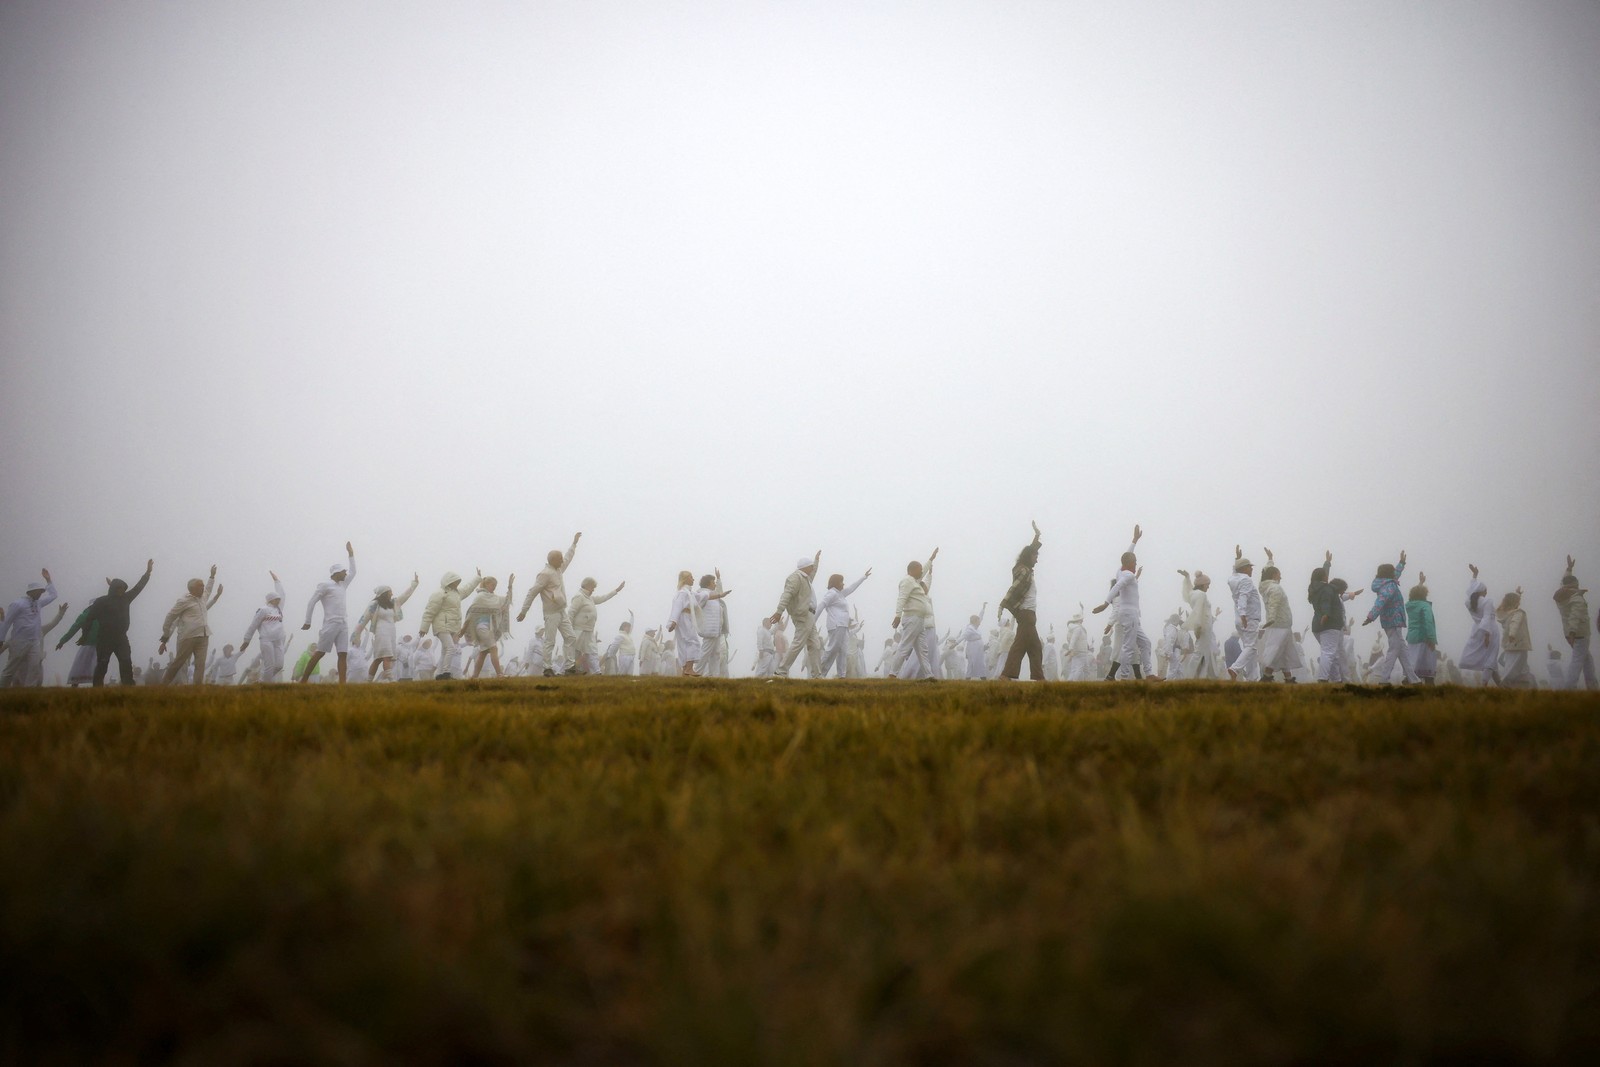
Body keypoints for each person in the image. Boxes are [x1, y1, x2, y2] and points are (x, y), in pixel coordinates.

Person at [52, 560, 153, 687]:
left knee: (126, 661)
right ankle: (97, 687)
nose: (121, 591)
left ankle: (128, 686)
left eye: (123, 589)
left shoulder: (126, 598)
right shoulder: (102, 602)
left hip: (121, 638)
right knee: (102, 663)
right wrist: (84, 636)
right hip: (105, 638)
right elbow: (89, 619)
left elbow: (139, 587)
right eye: (119, 588)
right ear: (113, 589)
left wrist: (148, 573)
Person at [517, 532, 581, 676]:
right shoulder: (545, 574)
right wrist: (524, 611)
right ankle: (547, 668)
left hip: (561, 611)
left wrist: (574, 544)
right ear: (552, 560)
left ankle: (570, 668)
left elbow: (568, 558)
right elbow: (532, 592)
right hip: (551, 613)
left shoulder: (558, 570)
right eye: (559, 559)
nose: (562, 561)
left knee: (570, 637)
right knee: (550, 641)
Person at [1091, 525, 1148, 680]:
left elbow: (1127, 558)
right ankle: (1116, 676)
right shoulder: (1122, 584)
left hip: (1127, 618)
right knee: (1124, 649)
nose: (1136, 563)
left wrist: (1134, 541)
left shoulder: (1121, 572)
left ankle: (1136, 676)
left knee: (1133, 649)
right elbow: (1117, 596)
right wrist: (1105, 604)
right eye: (1134, 562)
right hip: (1124, 620)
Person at [298, 542, 357, 684]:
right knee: (320, 653)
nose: (346, 573)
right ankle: (304, 680)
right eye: (343, 571)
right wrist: (308, 621)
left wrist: (351, 554)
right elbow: (312, 602)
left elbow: (354, 571)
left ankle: (342, 684)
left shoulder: (343, 584)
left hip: (343, 623)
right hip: (330, 624)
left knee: (343, 653)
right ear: (336, 573)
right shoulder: (325, 585)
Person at [1362, 550, 1418, 685]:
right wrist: (1371, 616)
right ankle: (1384, 679)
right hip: (1394, 622)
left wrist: (1401, 563)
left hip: (1391, 621)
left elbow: (1395, 575)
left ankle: (1413, 680)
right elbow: (1380, 601)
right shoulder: (1389, 586)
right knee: (1394, 650)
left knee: (1402, 651)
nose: (1395, 573)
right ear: (1389, 574)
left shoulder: (1386, 583)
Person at [999, 521, 1045, 681]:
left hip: (1028, 614)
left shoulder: (1025, 569)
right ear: (1029, 557)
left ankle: (1037, 677)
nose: (1037, 560)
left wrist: (1037, 537)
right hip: (1026, 614)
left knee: (1033, 647)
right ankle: (1006, 675)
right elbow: (1013, 589)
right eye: (1035, 557)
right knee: (1022, 646)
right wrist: (1003, 604)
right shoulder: (1022, 571)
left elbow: (1030, 552)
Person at [159, 565, 221, 685]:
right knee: (179, 663)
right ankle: (163, 685)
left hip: (203, 636)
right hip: (188, 637)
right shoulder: (184, 601)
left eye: (202, 586)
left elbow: (208, 589)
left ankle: (197, 690)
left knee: (200, 665)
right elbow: (170, 617)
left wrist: (212, 576)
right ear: (192, 589)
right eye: (200, 586)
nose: (203, 588)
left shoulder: (203, 598)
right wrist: (165, 636)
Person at [0, 569, 60, 688]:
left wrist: (48, 580)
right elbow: (7, 622)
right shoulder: (18, 604)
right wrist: (1, 640)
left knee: (34, 667)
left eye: (41, 592)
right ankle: (2, 690)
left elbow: (53, 595)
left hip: (34, 642)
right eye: (39, 591)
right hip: (19, 641)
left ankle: (29, 692)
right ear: (31, 592)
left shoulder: (38, 603)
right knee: (10, 669)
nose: (40, 594)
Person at [888, 548, 941, 680]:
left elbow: (923, 573)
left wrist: (931, 559)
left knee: (923, 650)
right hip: (912, 618)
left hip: (919, 620)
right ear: (912, 570)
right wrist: (897, 615)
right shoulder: (907, 581)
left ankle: (929, 675)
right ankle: (892, 674)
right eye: (919, 569)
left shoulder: (914, 581)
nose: (921, 571)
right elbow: (902, 598)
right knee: (905, 646)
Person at [418, 569, 482, 680]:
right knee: (451, 648)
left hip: (452, 626)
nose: (457, 583)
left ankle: (439, 674)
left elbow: (467, 589)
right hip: (441, 625)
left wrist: (477, 578)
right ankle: (446, 673)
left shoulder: (457, 593)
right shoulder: (439, 594)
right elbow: (430, 610)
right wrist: (424, 627)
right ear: (449, 581)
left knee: (445, 650)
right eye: (455, 581)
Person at [354, 574, 419, 681]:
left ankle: (368, 681)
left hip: (391, 632)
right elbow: (363, 618)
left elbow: (405, 595)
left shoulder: (393, 603)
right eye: (390, 591)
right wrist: (356, 634)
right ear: (384, 593)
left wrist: (414, 584)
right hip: (381, 632)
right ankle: (392, 680)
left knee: (378, 659)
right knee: (386, 656)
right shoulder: (374, 604)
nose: (392, 593)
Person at [768, 552, 823, 679]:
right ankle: (781, 671)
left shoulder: (806, 578)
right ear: (805, 567)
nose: (812, 568)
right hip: (803, 615)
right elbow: (786, 595)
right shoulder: (795, 577)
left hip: (809, 617)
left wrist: (816, 560)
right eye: (811, 566)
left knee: (815, 644)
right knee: (798, 643)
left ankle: (817, 676)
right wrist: (779, 611)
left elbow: (813, 572)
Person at [1257, 551, 1303, 682]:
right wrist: (1271, 619)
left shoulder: (1264, 587)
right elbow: (1274, 605)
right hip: (1280, 625)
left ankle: (1287, 678)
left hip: (1282, 625)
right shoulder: (1276, 589)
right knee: (1275, 651)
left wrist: (1270, 559)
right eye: (1279, 574)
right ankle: (1266, 676)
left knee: (1284, 652)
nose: (1281, 577)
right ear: (1274, 575)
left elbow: (1264, 573)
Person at [817, 567, 872, 678]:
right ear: (836, 583)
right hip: (836, 625)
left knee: (843, 651)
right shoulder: (831, 593)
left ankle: (842, 675)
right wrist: (812, 621)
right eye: (841, 581)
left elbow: (852, 588)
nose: (843, 584)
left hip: (843, 626)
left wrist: (864, 577)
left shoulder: (840, 594)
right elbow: (821, 605)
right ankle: (818, 673)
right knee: (832, 650)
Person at [1554, 556, 1595, 690]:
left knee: (1587, 660)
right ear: (1576, 584)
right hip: (1580, 634)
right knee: (1578, 661)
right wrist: (1573, 632)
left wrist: (1569, 569)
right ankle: (1569, 688)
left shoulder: (1561, 596)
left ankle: (1592, 686)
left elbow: (1564, 582)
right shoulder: (1576, 598)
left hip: (1570, 633)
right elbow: (1575, 616)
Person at [238, 572, 289, 682]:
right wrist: (246, 640)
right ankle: (264, 686)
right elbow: (253, 625)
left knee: (279, 665)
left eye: (279, 599)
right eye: (276, 599)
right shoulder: (263, 610)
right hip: (266, 640)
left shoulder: (279, 609)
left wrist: (276, 581)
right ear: (270, 600)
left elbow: (283, 594)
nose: (279, 600)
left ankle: (262, 681)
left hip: (278, 640)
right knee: (269, 666)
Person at [461, 574, 514, 678]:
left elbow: (507, 601)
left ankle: (474, 677)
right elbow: (471, 613)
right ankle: (500, 674)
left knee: (483, 653)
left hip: (488, 628)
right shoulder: (480, 597)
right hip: (481, 627)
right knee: (494, 648)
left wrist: (510, 586)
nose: (494, 587)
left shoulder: (493, 597)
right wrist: (463, 629)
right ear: (487, 584)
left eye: (496, 585)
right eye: (493, 584)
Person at [570, 576, 626, 674]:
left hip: (589, 630)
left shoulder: (590, 598)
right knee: (574, 652)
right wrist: (569, 629)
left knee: (592, 651)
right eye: (593, 587)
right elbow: (571, 612)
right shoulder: (579, 597)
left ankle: (597, 671)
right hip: (579, 630)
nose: (593, 590)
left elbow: (603, 598)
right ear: (587, 586)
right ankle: (561, 671)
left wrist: (616, 590)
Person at [1459, 564, 1503, 686]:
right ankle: (1483, 684)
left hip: (1477, 630)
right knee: (1491, 657)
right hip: (1490, 630)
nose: (1487, 591)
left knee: (1490, 658)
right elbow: (1487, 617)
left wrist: (1474, 576)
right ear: (1481, 591)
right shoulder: (1488, 601)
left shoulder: (1469, 603)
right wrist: (1487, 634)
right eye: (1485, 589)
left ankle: (1501, 685)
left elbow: (1471, 590)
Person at [1226, 547, 1264, 682]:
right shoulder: (1246, 580)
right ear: (1243, 569)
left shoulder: (1233, 579)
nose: (1251, 569)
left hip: (1240, 619)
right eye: (1249, 567)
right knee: (1251, 647)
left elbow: (1234, 573)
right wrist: (1243, 614)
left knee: (1252, 651)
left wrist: (1237, 560)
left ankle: (1253, 679)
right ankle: (1235, 669)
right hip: (1248, 618)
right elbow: (1243, 596)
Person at [1176, 570, 1222, 679]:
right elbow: (1198, 611)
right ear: (1202, 585)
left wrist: (1187, 577)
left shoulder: (1194, 594)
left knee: (1208, 653)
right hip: (1204, 628)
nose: (1208, 587)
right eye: (1207, 585)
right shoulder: (1201, 595)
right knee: (1199, 653)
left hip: (1205, 627)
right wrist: (1198, 627)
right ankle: (1189, 677)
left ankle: (1212, 677)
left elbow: (1189, 589)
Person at [695, 572, 733, 677]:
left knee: (716, 654)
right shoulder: (702, 594)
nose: (715, 584)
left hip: (716, 631)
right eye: (713, 582)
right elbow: (705, 599)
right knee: (705, 653)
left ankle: (714, 676)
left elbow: (719, 592)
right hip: (709, 630)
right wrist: (720, 594)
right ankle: (696, 673)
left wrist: (719, 578)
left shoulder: (713, 595)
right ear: (708, 584)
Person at [1496, 589, 1535, 688]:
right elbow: (1515, 623)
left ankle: (1524, 686)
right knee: (1512, 669)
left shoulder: (1505, 614)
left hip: (1510, 645)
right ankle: (1504, 685)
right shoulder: (1518, 613)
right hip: (1518, 644)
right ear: (1515, 603)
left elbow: (1512, 608)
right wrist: (1512, 634)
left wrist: (1518, 594)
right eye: (1518, 601)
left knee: (1520, 667)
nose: (1519, 603)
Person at [1405, 573, 1439, 685]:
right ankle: (1430, 693)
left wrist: (1420, 583)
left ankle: (1409, 681)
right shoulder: (1425, 606)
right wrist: (1431, 638)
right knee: (1428, 667)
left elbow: (1417, 594)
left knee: (1414, 664)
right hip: (1424, 638)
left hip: (1412, 638)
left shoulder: (1410, 606)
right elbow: (1428, 622)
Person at [959, 606, 988, 679]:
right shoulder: (970, 629)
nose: (980, 623)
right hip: (973, 648)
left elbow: (980, 617)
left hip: (978, 649)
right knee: (972, 663)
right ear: (974, 621)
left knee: (980, 663)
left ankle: (983, 678)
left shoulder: (975, 627)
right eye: (978, 621)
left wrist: (983, 609)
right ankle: (968, 678)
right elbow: (963, 636)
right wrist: (955, 644)